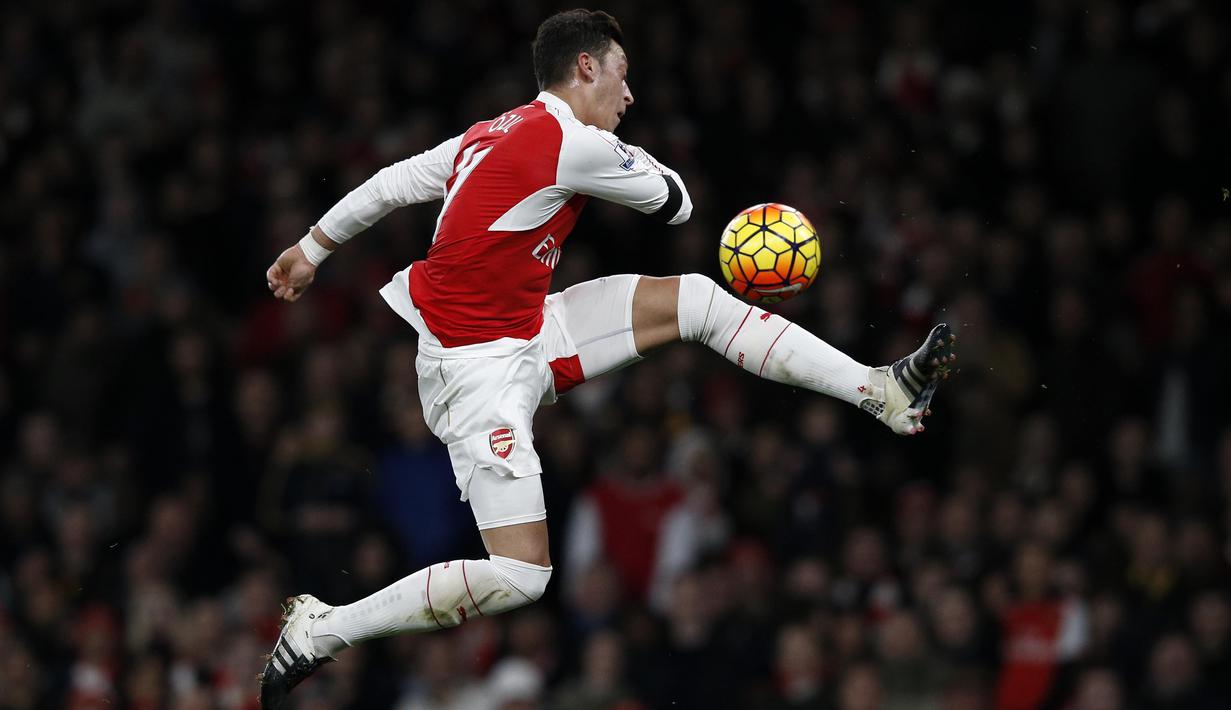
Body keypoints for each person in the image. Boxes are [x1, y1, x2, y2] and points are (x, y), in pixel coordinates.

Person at [257, 9, 956, 707]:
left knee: (696, 302)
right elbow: (676, 204)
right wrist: (628, 158)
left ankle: (879, 389)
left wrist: (312, 248)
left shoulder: (488, 132)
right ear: (585, 67)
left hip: (527, 328)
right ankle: (324, 629)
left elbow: (392, 182)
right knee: (521, 575)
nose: (629, 97)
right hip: (475, 375)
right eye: (622, 76)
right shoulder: (568, 141)